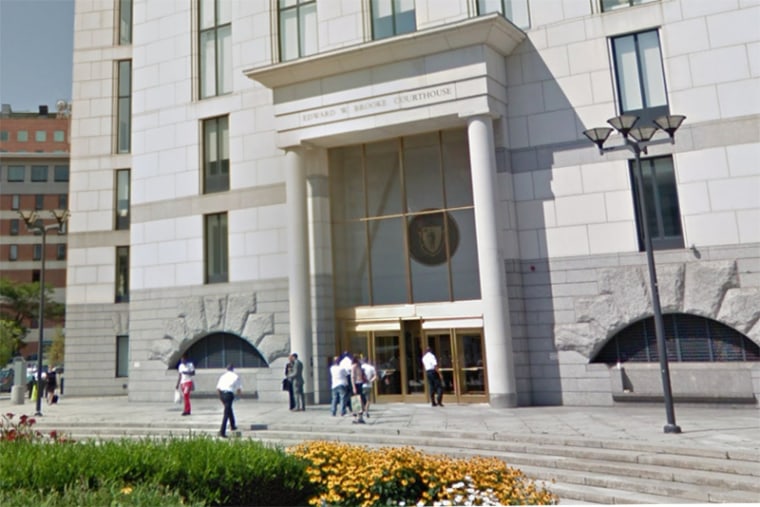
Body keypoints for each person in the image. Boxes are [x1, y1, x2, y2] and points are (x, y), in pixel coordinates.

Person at [216, 363, 242, 438]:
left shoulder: (222, 376)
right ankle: (222, 431)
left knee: (229, 409)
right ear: (233, 369)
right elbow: (239, 388)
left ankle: (232, 425)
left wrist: (220, 397)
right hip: (229, 394)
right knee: (226, 413)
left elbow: (218, 388)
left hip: (222, 394)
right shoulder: (235, 376)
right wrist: (238, 396)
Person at [350, 356, 366, 424]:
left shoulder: (359, 366)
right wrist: (354, 387)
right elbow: (352, 377)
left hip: (360, 383)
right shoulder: (354, 366)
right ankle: (356, 417)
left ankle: (360, 417)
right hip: (356, 384)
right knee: (356, 401)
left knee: (361, 401)